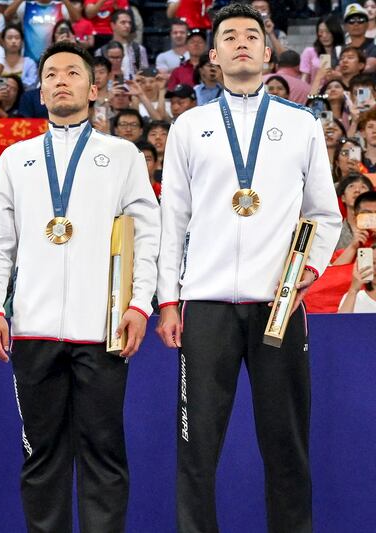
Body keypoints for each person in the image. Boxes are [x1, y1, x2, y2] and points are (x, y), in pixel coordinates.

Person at [155, 5, 342, 532]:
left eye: (251, 36)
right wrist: (169, 300)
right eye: (228, 36)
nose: (241, 43)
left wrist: (308, 268)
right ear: (212, 55)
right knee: (197, 449)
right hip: (206, 306)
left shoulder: (300, 125)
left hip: (277, 305)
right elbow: (174, 220)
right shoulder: (190, 126)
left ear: (267, 52)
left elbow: (325, 215)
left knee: (286, 446)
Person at [0, 40, 160, 532]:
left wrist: (140, 304)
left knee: (103, 454)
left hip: (101, 330)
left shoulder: (121, 155)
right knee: (41, 457)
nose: (61, 79)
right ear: (40, 88)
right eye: (52, 72)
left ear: (93, 88)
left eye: (72, 73)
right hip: (33, 329)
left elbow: (147, 236)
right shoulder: (16, 159)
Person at [338, 191, 376, 312]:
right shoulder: (346, 249)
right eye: (367, 214)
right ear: (355, 216)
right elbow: (329, 276)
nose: (373, 218)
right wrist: (353, 247)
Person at [334, 174, 374, 255]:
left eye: (363, 187)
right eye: (351, 186)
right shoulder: (334, 231)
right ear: (343, 198)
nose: (357, 190)